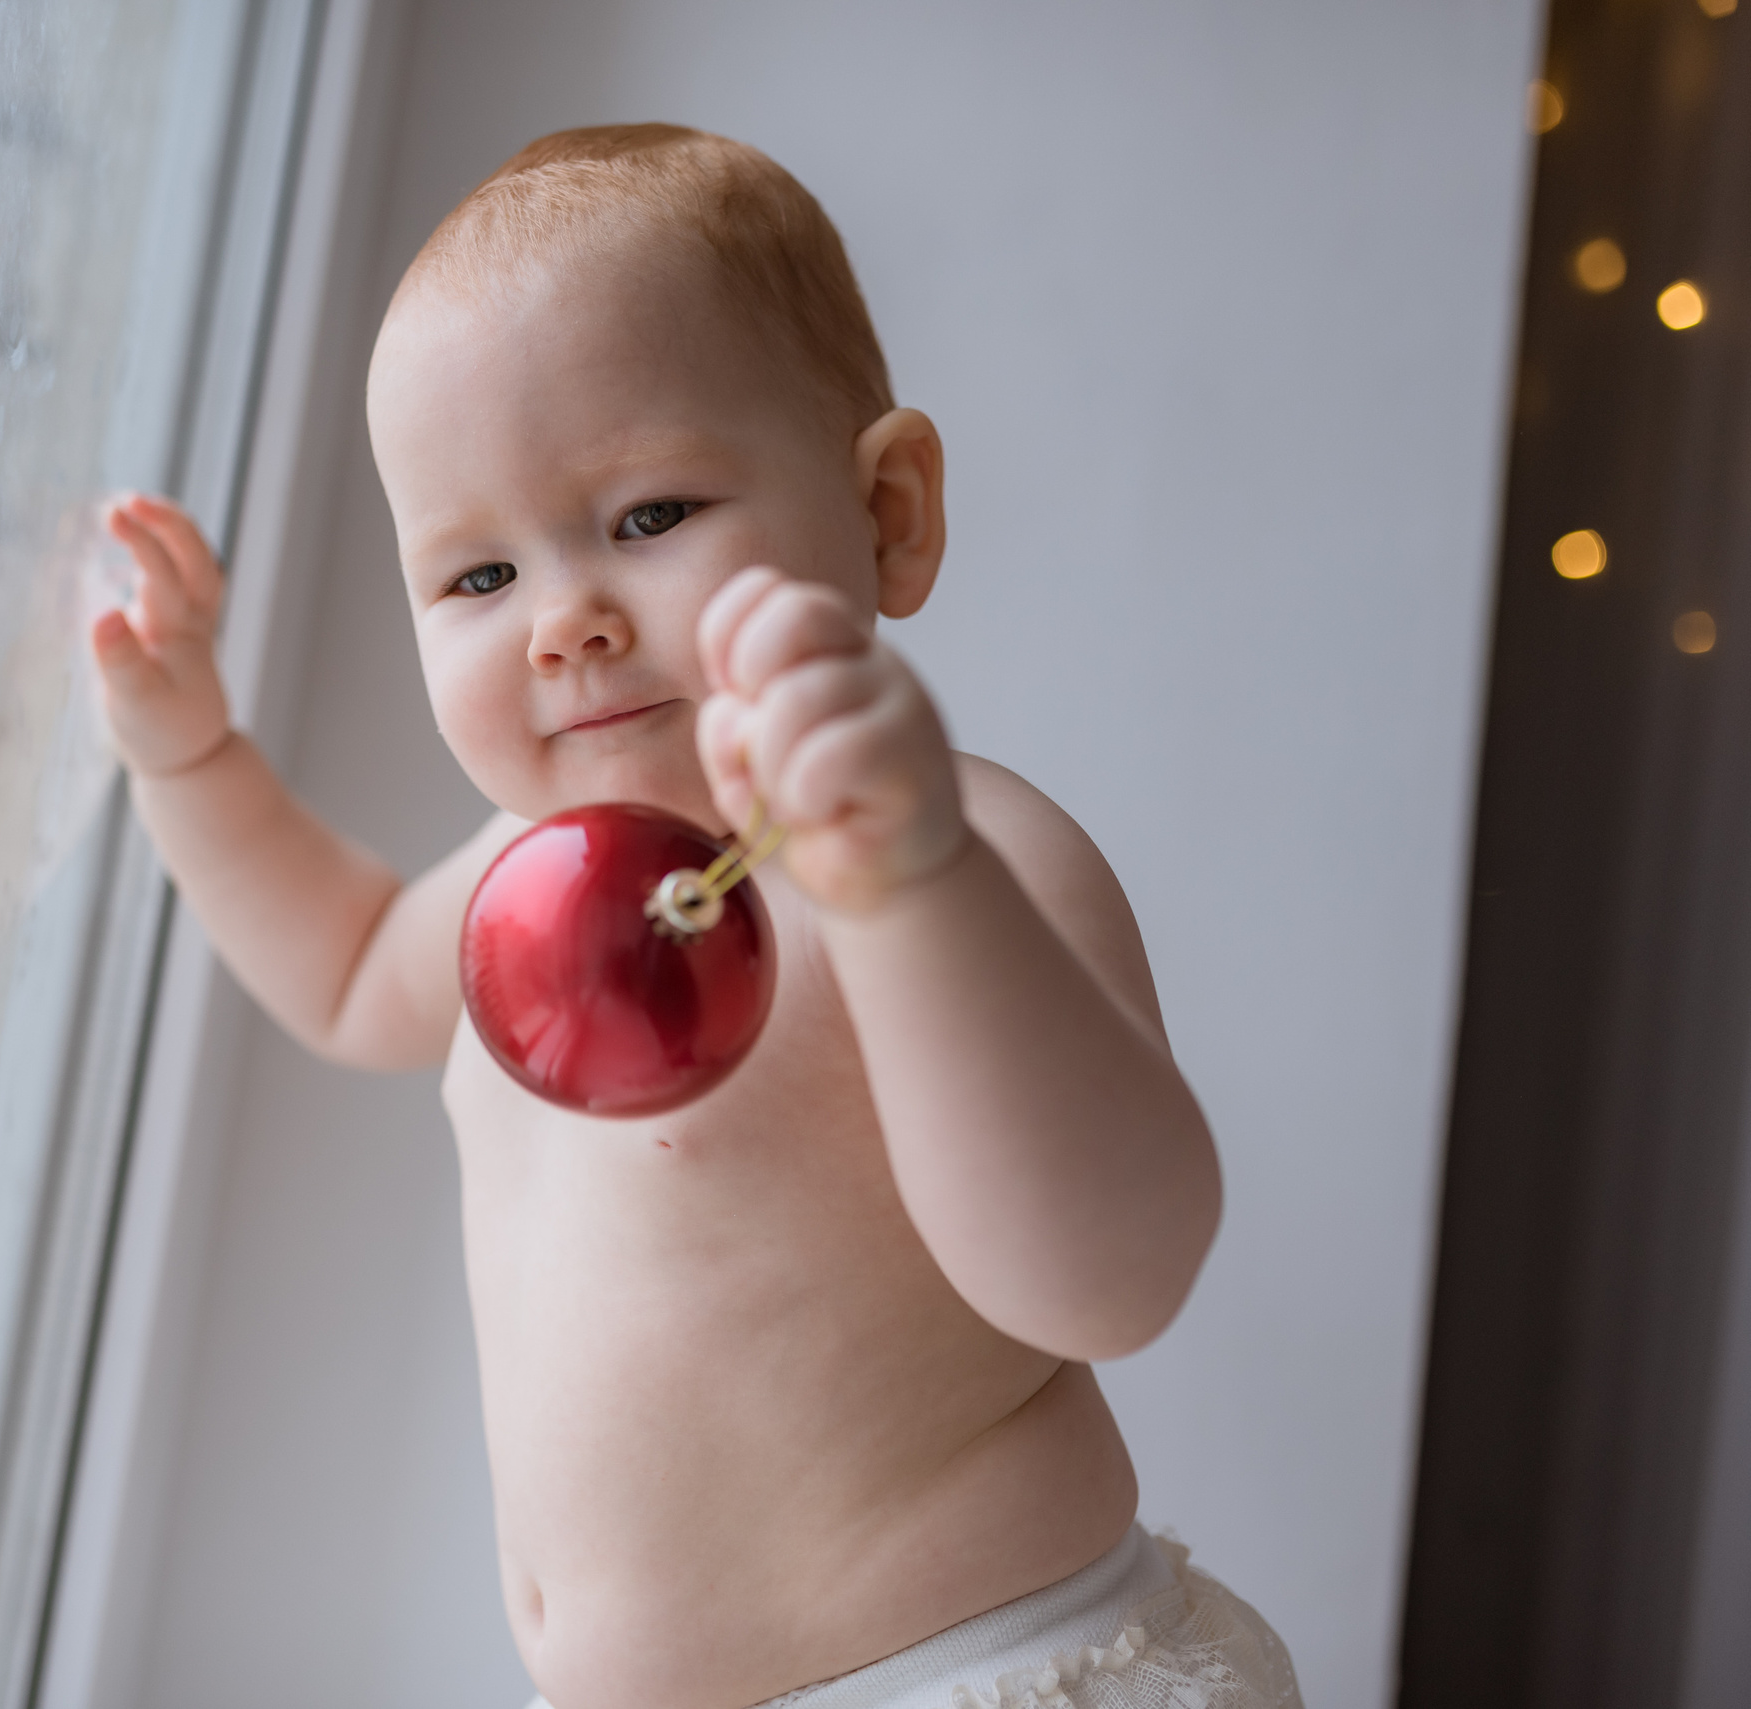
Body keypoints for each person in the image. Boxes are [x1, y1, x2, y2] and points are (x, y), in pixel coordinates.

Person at [89, 124, 1301, 1709]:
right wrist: (193, 756)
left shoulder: (971, 857)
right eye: (474, 578)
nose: (565, 620)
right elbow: (338, 965)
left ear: (890, 513)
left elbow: (1113, 1277)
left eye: (649, 514)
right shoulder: (530, 880)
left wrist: (911, 889)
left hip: (991, 1675)